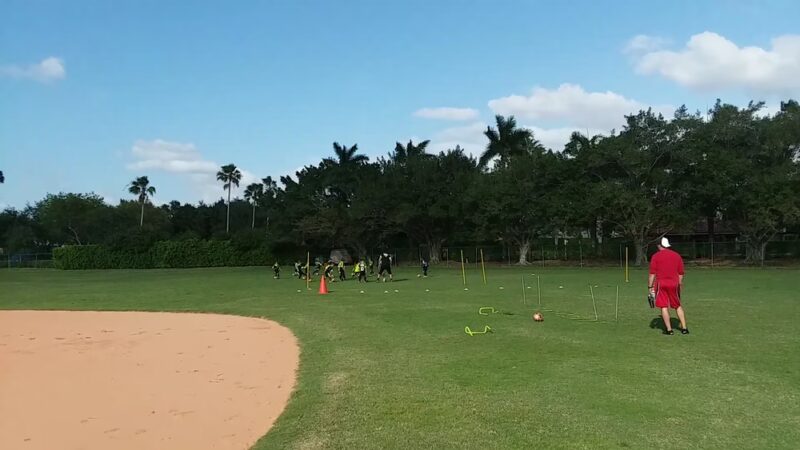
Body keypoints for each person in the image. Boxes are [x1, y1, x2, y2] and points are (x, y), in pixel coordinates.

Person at [649, 237, 689, 335]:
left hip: (661, 284)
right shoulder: (677, 256)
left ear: (660, 245)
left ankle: (669, 330)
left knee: (663, 306)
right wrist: (679, 283)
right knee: (677, 306)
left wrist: (650, 287)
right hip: (674, 284)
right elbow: (680, 273)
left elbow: (652, 274)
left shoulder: (656, 256)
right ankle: (684, 328)